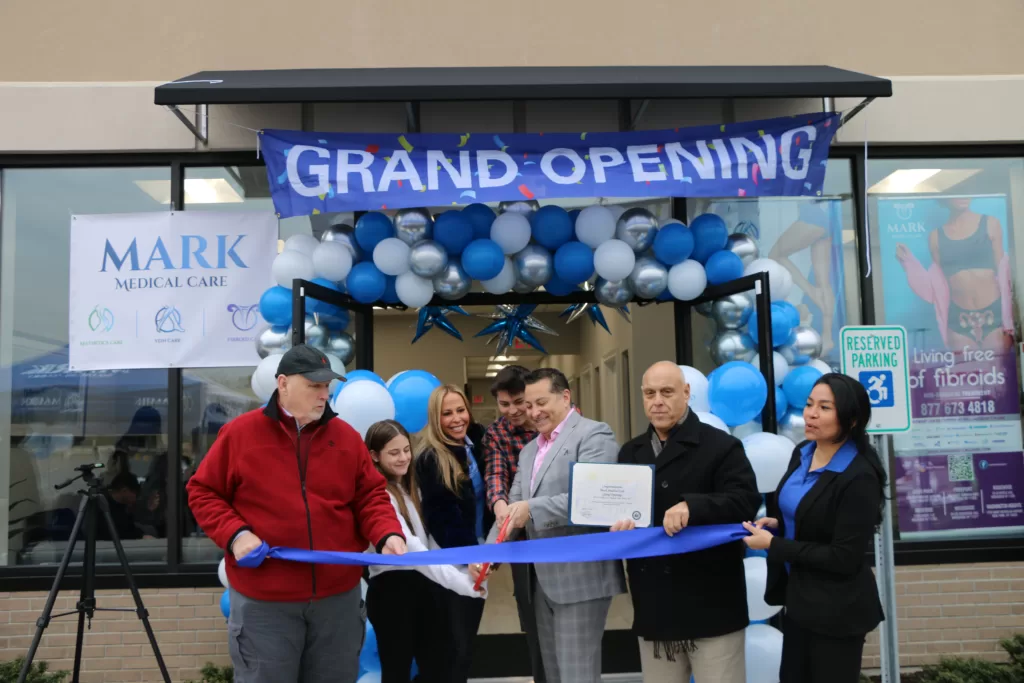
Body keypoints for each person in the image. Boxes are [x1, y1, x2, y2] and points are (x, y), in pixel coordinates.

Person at [186, 344, 406, 683]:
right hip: (265, 603)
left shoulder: (346, 438)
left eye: (326, 386)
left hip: (338, 600)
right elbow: (203, 491)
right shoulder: (240, 434)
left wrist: (387, 532)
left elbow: (370, 496)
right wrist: (236, 534)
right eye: (314, 386)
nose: (323, 394)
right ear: (283, 384)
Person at [611, 361, 760, 683]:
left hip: (712, 605)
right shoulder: (630, 452)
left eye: (667, 392)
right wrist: (618, 527)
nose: (657, 401)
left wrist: (693, 506)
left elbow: (745, 501)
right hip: (655, 607)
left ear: (687, 393)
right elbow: (623, 513)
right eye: (649, 393)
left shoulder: (721, 446)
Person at [475, 368, 625, 683]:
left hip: (580, 578)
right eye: (528, 405)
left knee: (577, 675)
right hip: (539, 581)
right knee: (552, 673)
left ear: (565, 396)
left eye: (540, 402)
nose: (533, 412)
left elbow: (592, 498)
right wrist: (488, 554)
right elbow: (511, 508)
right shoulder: (531, 450)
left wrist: (532, 509)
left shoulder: (594, 434)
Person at [742, 373, 886, 683]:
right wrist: (781, 524)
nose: (811, 413)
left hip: (837, 612)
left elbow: (843, 556)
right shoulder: (803, 453)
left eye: (824, 407)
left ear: (851, 419)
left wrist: (773, 545)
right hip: (800, 603)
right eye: (809, 404)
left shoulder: (859, 476)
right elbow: (811, 513)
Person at [364, 419, 484, 683]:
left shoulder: (412, 488)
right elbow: (414, 550)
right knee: (397, 671)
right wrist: (464, 584)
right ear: (374, 456)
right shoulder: (379, 496)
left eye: (406, 450)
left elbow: (431, 542)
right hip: (392, 595)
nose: (403, 458)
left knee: (437, 667)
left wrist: (468, 566)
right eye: (393, 453)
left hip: (424, 589)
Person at [415, 384, 492, 683]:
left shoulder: (476, 444)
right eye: (447, 413)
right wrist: (471, 557)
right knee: (453, 647)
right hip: (453, 562)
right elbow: (441, 517)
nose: (456, 418)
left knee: (465, 644)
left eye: (460, 410)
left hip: (478, 555)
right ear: (436, 418)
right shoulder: (431, 457)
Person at [482, 364, 547, 683]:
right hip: (522, 540)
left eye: (518, 401)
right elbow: (495, 474)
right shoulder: (496, 433)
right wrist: (499, 503)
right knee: (533, 620)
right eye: (504, 404)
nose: (512, 411)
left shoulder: (550, 423)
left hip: (559, 535)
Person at [895, 197, 1013, 351]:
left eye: (965, 192)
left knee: (998, 372)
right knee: (966, 372)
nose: (962, 196)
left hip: (994, 315)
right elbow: (936, 288)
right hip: (959, 320)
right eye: (955, 193)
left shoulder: (991, 223)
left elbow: (1005, 275)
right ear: (944, 198)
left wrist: (1010, 319)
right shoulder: (935, 237)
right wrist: (908, 263)